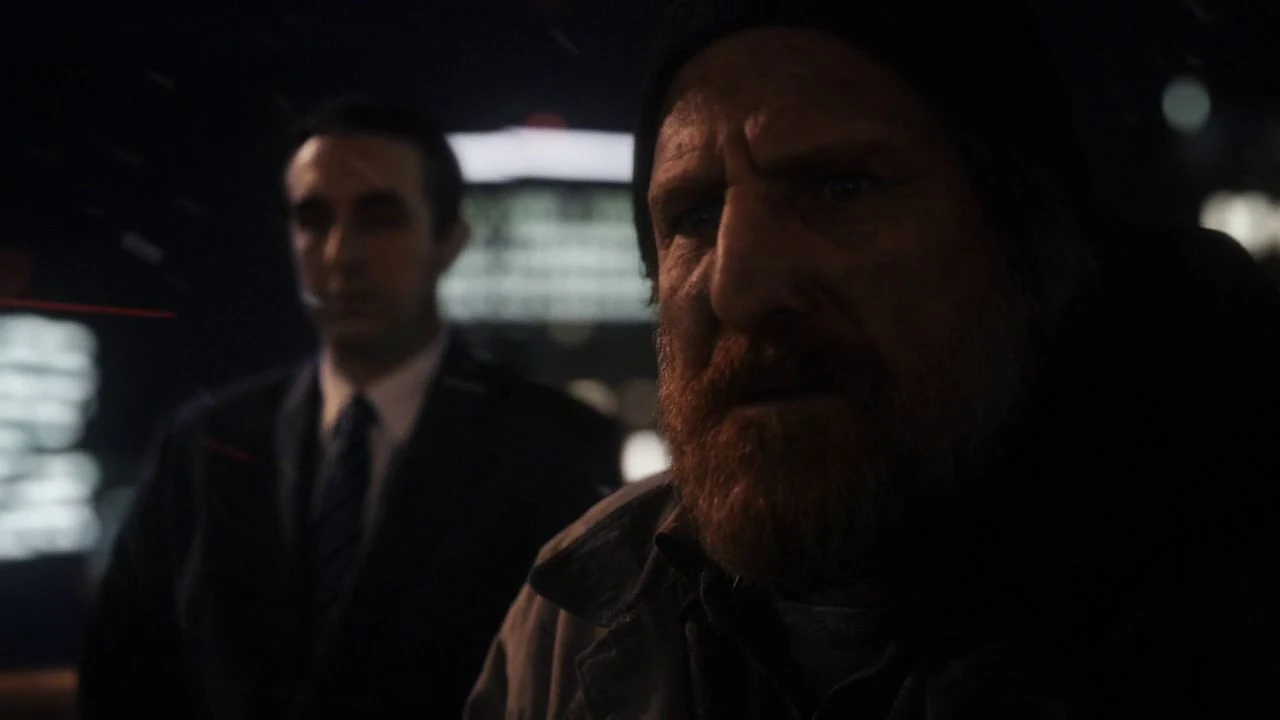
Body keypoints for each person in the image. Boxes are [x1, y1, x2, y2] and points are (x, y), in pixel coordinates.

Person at [466, 1, 1280, 718]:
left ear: (1027, 246)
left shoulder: (1225, 610)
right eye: (694, 214)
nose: (740, 287)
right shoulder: (574, 622)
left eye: (841, 188)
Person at [78, 99, 623, 719]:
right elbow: (122, 672)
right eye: (314, 219)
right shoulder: (203, 444)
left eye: (379, 218)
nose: (341, 254)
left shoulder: (553, 447)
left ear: (449, 240)